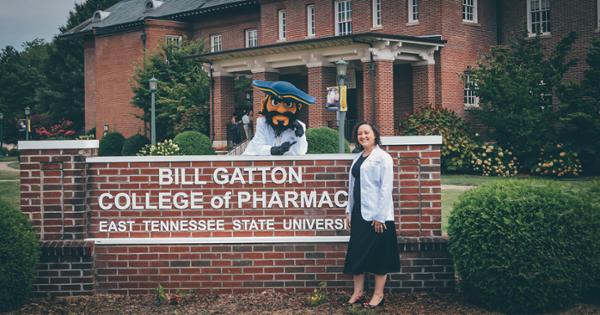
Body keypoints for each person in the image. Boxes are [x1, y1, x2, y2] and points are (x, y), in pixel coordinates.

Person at [342, 121, 400, 308]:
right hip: (359, 213)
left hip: (378, 215)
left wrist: (380, 216)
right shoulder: (358, 157)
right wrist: (348, 211)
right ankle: (358, 292)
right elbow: (352, 187)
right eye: (359, 133)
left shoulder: (383, 157)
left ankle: (378, 294)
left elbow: (386, 187)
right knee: (357, 253)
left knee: (379, 255)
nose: (363, 136)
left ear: (374, 134)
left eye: (366, 132)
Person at [243, 80, 314, 156]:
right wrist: (274, 150)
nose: (281, 110)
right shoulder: (262, 123)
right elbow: (257, 147)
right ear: (264, 103)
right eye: (275, 103)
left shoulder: (299, 126)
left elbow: (301, 152)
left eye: (288, 104)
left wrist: (300, 137)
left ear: (298, 107)